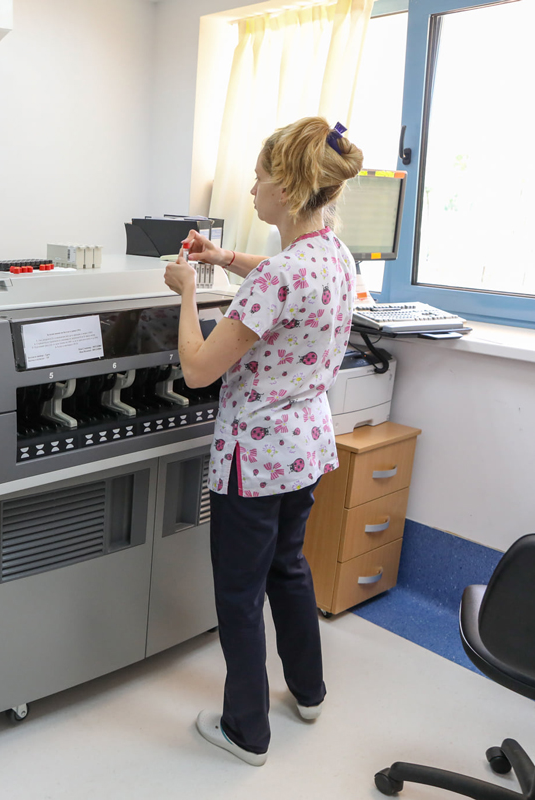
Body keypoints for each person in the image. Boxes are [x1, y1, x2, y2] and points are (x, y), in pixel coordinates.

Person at [162, 116, 364, 766]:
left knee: (239, 595)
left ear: (290, 187)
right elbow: (279, 278)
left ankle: (245, 731)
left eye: (258, 178)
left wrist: (188, 292)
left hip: (253, 461)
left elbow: (198, 369)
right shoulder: (334, 254)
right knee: (289, 567)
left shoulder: (278, 279)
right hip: (304, 450)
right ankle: (309, 692)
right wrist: (224, 259)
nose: (252, 189)